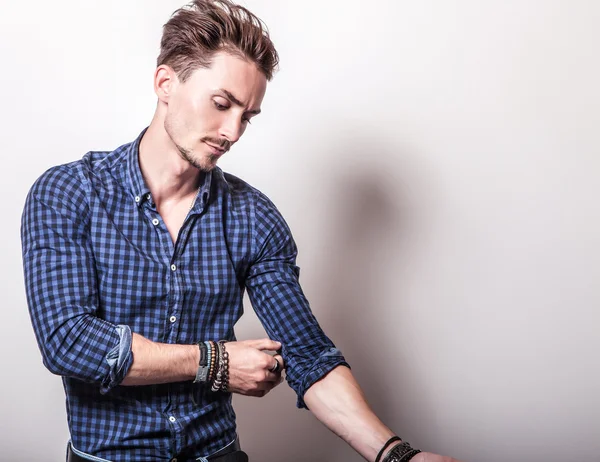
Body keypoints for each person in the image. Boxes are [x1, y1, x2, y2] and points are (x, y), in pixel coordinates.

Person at [21, 1, 463, 461]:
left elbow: (308, 355)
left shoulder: (253, 216)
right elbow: (69, 343)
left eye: (247, 116)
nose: (232, 131)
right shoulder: (68, 193)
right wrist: (215, 362)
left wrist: (397, 455)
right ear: (165, 83)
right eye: (221, 103)